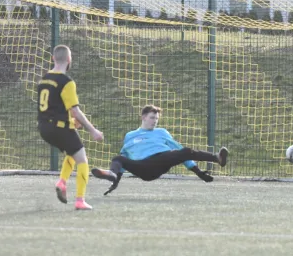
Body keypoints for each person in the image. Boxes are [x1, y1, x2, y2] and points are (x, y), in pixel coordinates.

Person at [91, 104, 228, 194]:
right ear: (143, 117)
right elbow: (124, 159)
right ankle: (112, 176)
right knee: (118, 158)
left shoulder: (162, 132)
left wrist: (199, 173)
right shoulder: (130, 135)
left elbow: (179, 150)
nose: (155, 121)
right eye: (152, 118)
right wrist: (116, 183)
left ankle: (217, 158)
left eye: (156, 118)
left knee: (185, 151)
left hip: (161, 161)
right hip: (142, 167)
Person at [37, 45, 104, 210]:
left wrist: (73, 122)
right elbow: (74, 110)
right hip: (59, 127)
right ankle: (80, 200)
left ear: (53, 58)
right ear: (69, 60)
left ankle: (62, 182)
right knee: (82, 159)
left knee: (72, 153)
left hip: (44, 128)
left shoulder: (44, 79)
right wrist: (92, 130)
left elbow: (54, 107)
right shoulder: (66, 82)